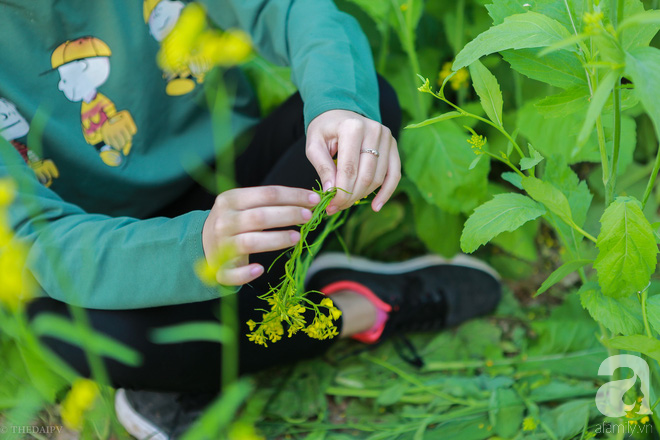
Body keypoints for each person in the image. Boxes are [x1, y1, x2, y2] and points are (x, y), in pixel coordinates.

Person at [0, 0, 501, 438]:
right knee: (65, 331)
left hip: (232, 174)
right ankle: (352, 310)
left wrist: (341, 108)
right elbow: (31, 237)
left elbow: (284, 8)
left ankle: (174, 385)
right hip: (108, 242)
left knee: (362, 124)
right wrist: (192, 246)